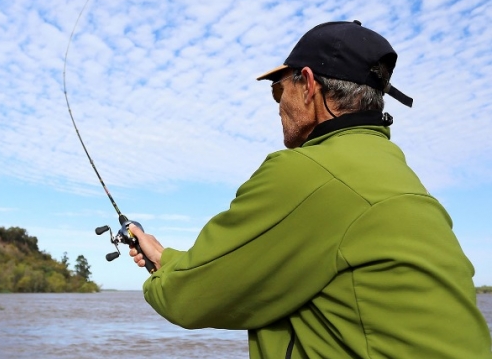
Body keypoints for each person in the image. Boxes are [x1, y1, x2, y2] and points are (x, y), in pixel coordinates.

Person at [128, 20, 492, 358]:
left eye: (277, 90)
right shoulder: (395, 175)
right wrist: (164, 256)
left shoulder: (305, 173)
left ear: (309, 84)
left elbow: (188, 298)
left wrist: (160, 276)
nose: (278, 105)